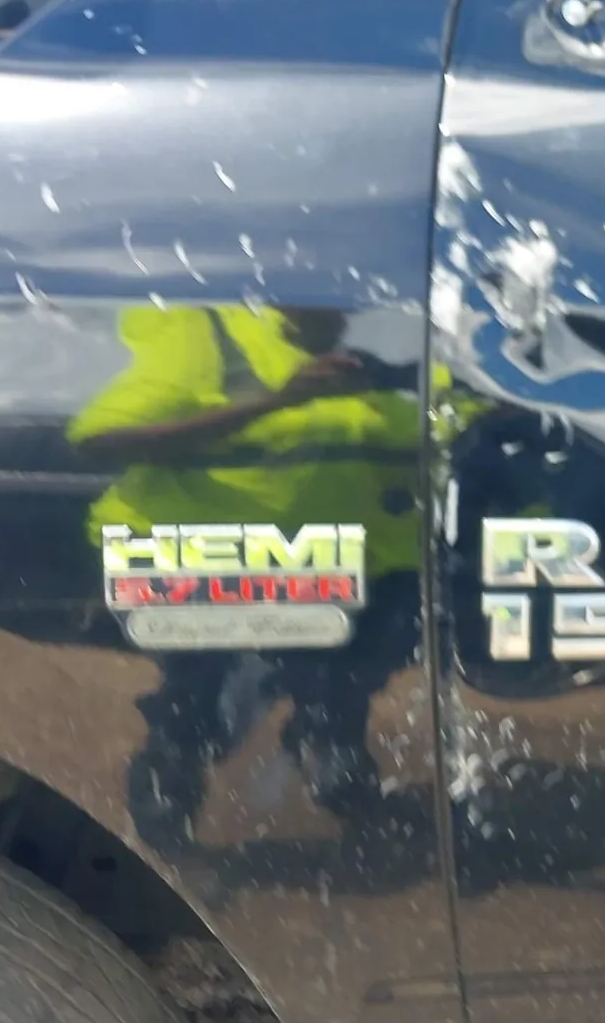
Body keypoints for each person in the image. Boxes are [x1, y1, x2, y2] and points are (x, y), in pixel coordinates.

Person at [69, 303, 425, 851]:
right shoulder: (206, 333)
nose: (325, 302)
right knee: (202, 690)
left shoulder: (393, 347)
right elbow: (104, 441)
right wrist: (277, 401)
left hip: (341, 561)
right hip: (195, 557)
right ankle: (170, 783)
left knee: (361, 658)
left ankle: (331, 749)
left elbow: (457, 422)